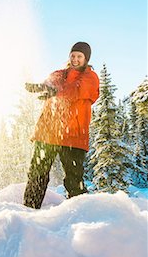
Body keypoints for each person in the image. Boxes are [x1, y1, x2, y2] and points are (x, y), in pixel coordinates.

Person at [23, 41, 99, 209]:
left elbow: (77, 90)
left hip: (73, 135)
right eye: (73, 55)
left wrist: (56, 92)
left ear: (86, 59)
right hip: (48, 132)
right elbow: (50, 84)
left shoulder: (90, 77)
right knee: (37, 172)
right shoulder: (58, 74)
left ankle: (80, 214)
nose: (75, 59)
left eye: (80, 56)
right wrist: (41, 87)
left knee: (73, 178)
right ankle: (29, 208)